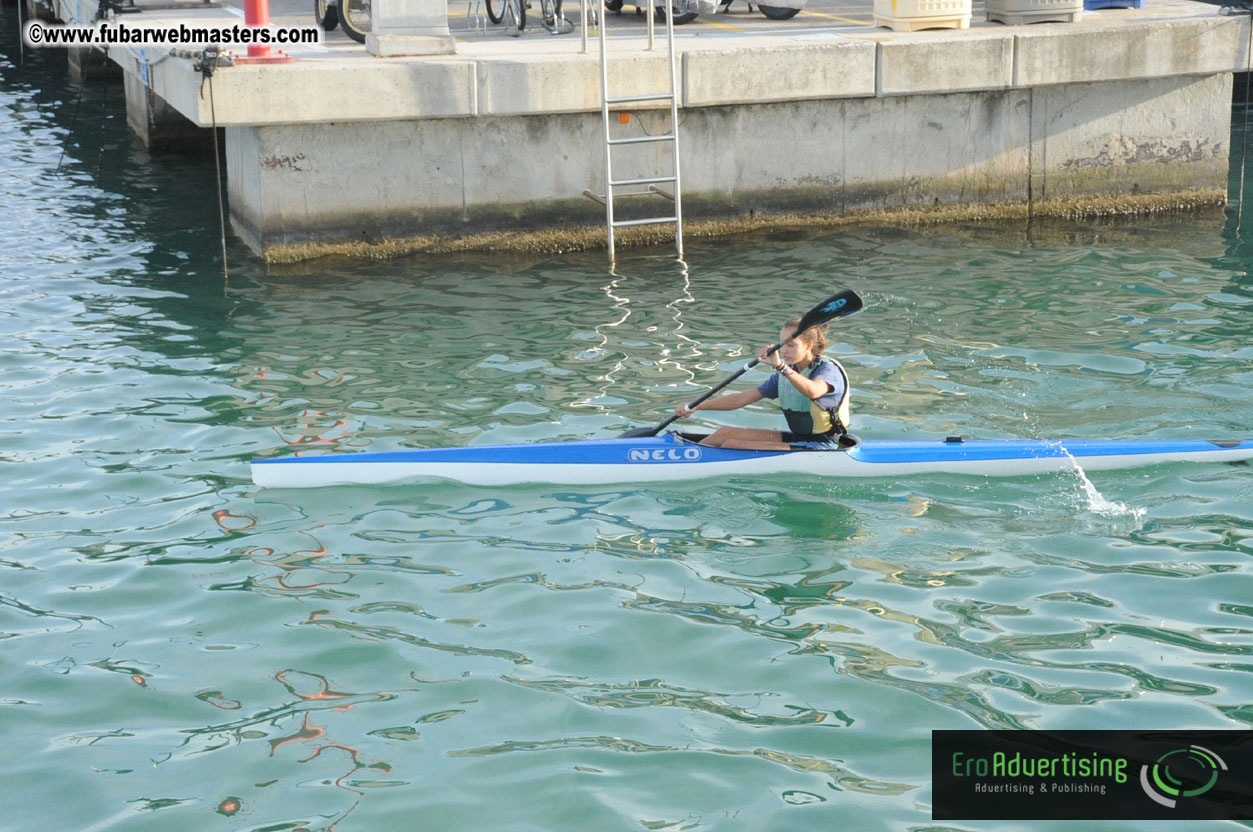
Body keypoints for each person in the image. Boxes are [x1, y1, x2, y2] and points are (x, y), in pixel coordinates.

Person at [672, 317, 850, 450]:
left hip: (825, 445)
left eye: (791, 345)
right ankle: (687, 456)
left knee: (732, 444)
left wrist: (781, 366)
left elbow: (814, 391)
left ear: (809, 345)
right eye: (782, 344)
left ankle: (690, 463)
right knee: (724, 433)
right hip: (798, 438)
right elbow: (742, 399)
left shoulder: (827, 369)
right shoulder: (787, 374)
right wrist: (697, 406)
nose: (783, 350)